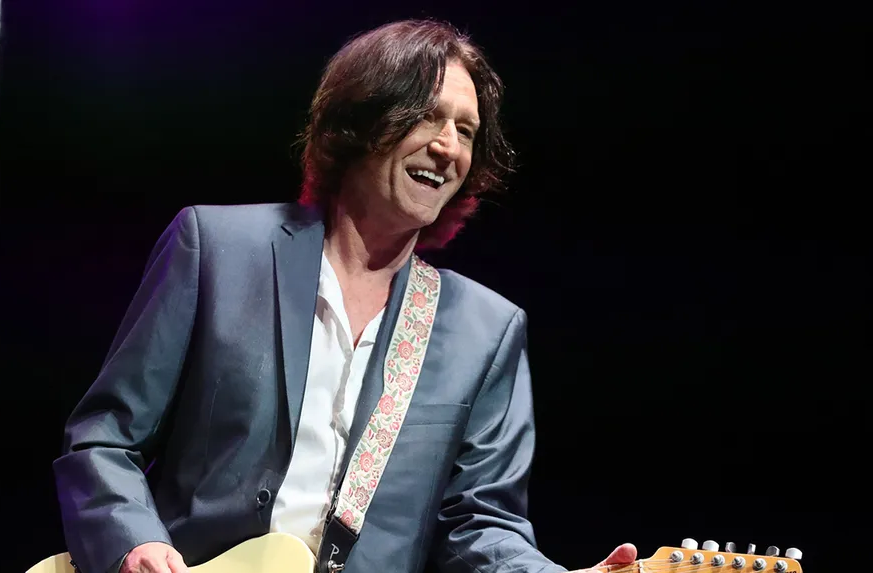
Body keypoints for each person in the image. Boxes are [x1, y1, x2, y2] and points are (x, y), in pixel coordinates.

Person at [52, 18, 638, 573]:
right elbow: (104, 436)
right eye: (427, 117)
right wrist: (136, 542)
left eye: (466, 131)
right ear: (362, 120)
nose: (448, 147)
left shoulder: (485, 330)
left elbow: (479, 522)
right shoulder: (217, 250)